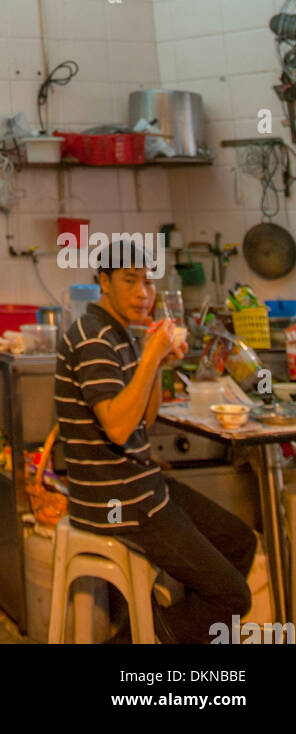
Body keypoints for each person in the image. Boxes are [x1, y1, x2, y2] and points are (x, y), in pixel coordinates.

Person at [55, 238, 257, 643]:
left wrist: (158, 364)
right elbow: (116, 427)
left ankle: (153, 631)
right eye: (130, 281)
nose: (143, 294)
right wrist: (150, 356)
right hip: (117, 500)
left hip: (143, 487)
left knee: (239, 541)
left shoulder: (121, 332)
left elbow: (143, 420)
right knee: (231, 596)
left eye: (148, 284)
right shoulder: (95, 337)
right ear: (104, 282)